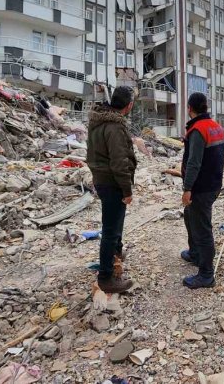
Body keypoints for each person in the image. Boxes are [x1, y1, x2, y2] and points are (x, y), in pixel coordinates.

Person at [86, 86, 137, 293]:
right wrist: (127, 190)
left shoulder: (98, 121)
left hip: (102, 178)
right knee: (110, 229)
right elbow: (118, 162)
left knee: (114, 224)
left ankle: (116, 253)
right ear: (129, 105)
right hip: (112, 181)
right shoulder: (115, 127)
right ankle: (106, 277)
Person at [179, 92, 224, 289]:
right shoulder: (216, 127)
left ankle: (206, 274)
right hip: (213, 183)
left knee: (202, 228)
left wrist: (187, 188)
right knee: (189, 215)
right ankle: (195, 253)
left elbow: (194, 163)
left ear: (190, 108)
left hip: (201, 187)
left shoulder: (198, 130)